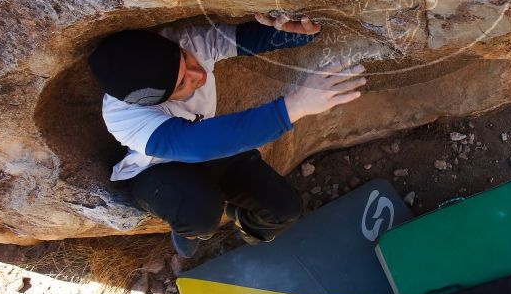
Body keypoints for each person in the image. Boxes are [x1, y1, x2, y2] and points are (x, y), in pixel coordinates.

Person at [87, 13, 367, 257]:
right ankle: (190, 231)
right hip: (155, 170)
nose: (198, 74)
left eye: (186, 61)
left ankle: (243, 225)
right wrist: (295, 106)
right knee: (200, 214)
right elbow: (192, 143)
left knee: (284, 210)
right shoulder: (122, 115)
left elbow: (251, 38)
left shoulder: (184, 43)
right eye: (183, 83)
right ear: (153, 102)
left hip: (209, 148)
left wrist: (299, 34)